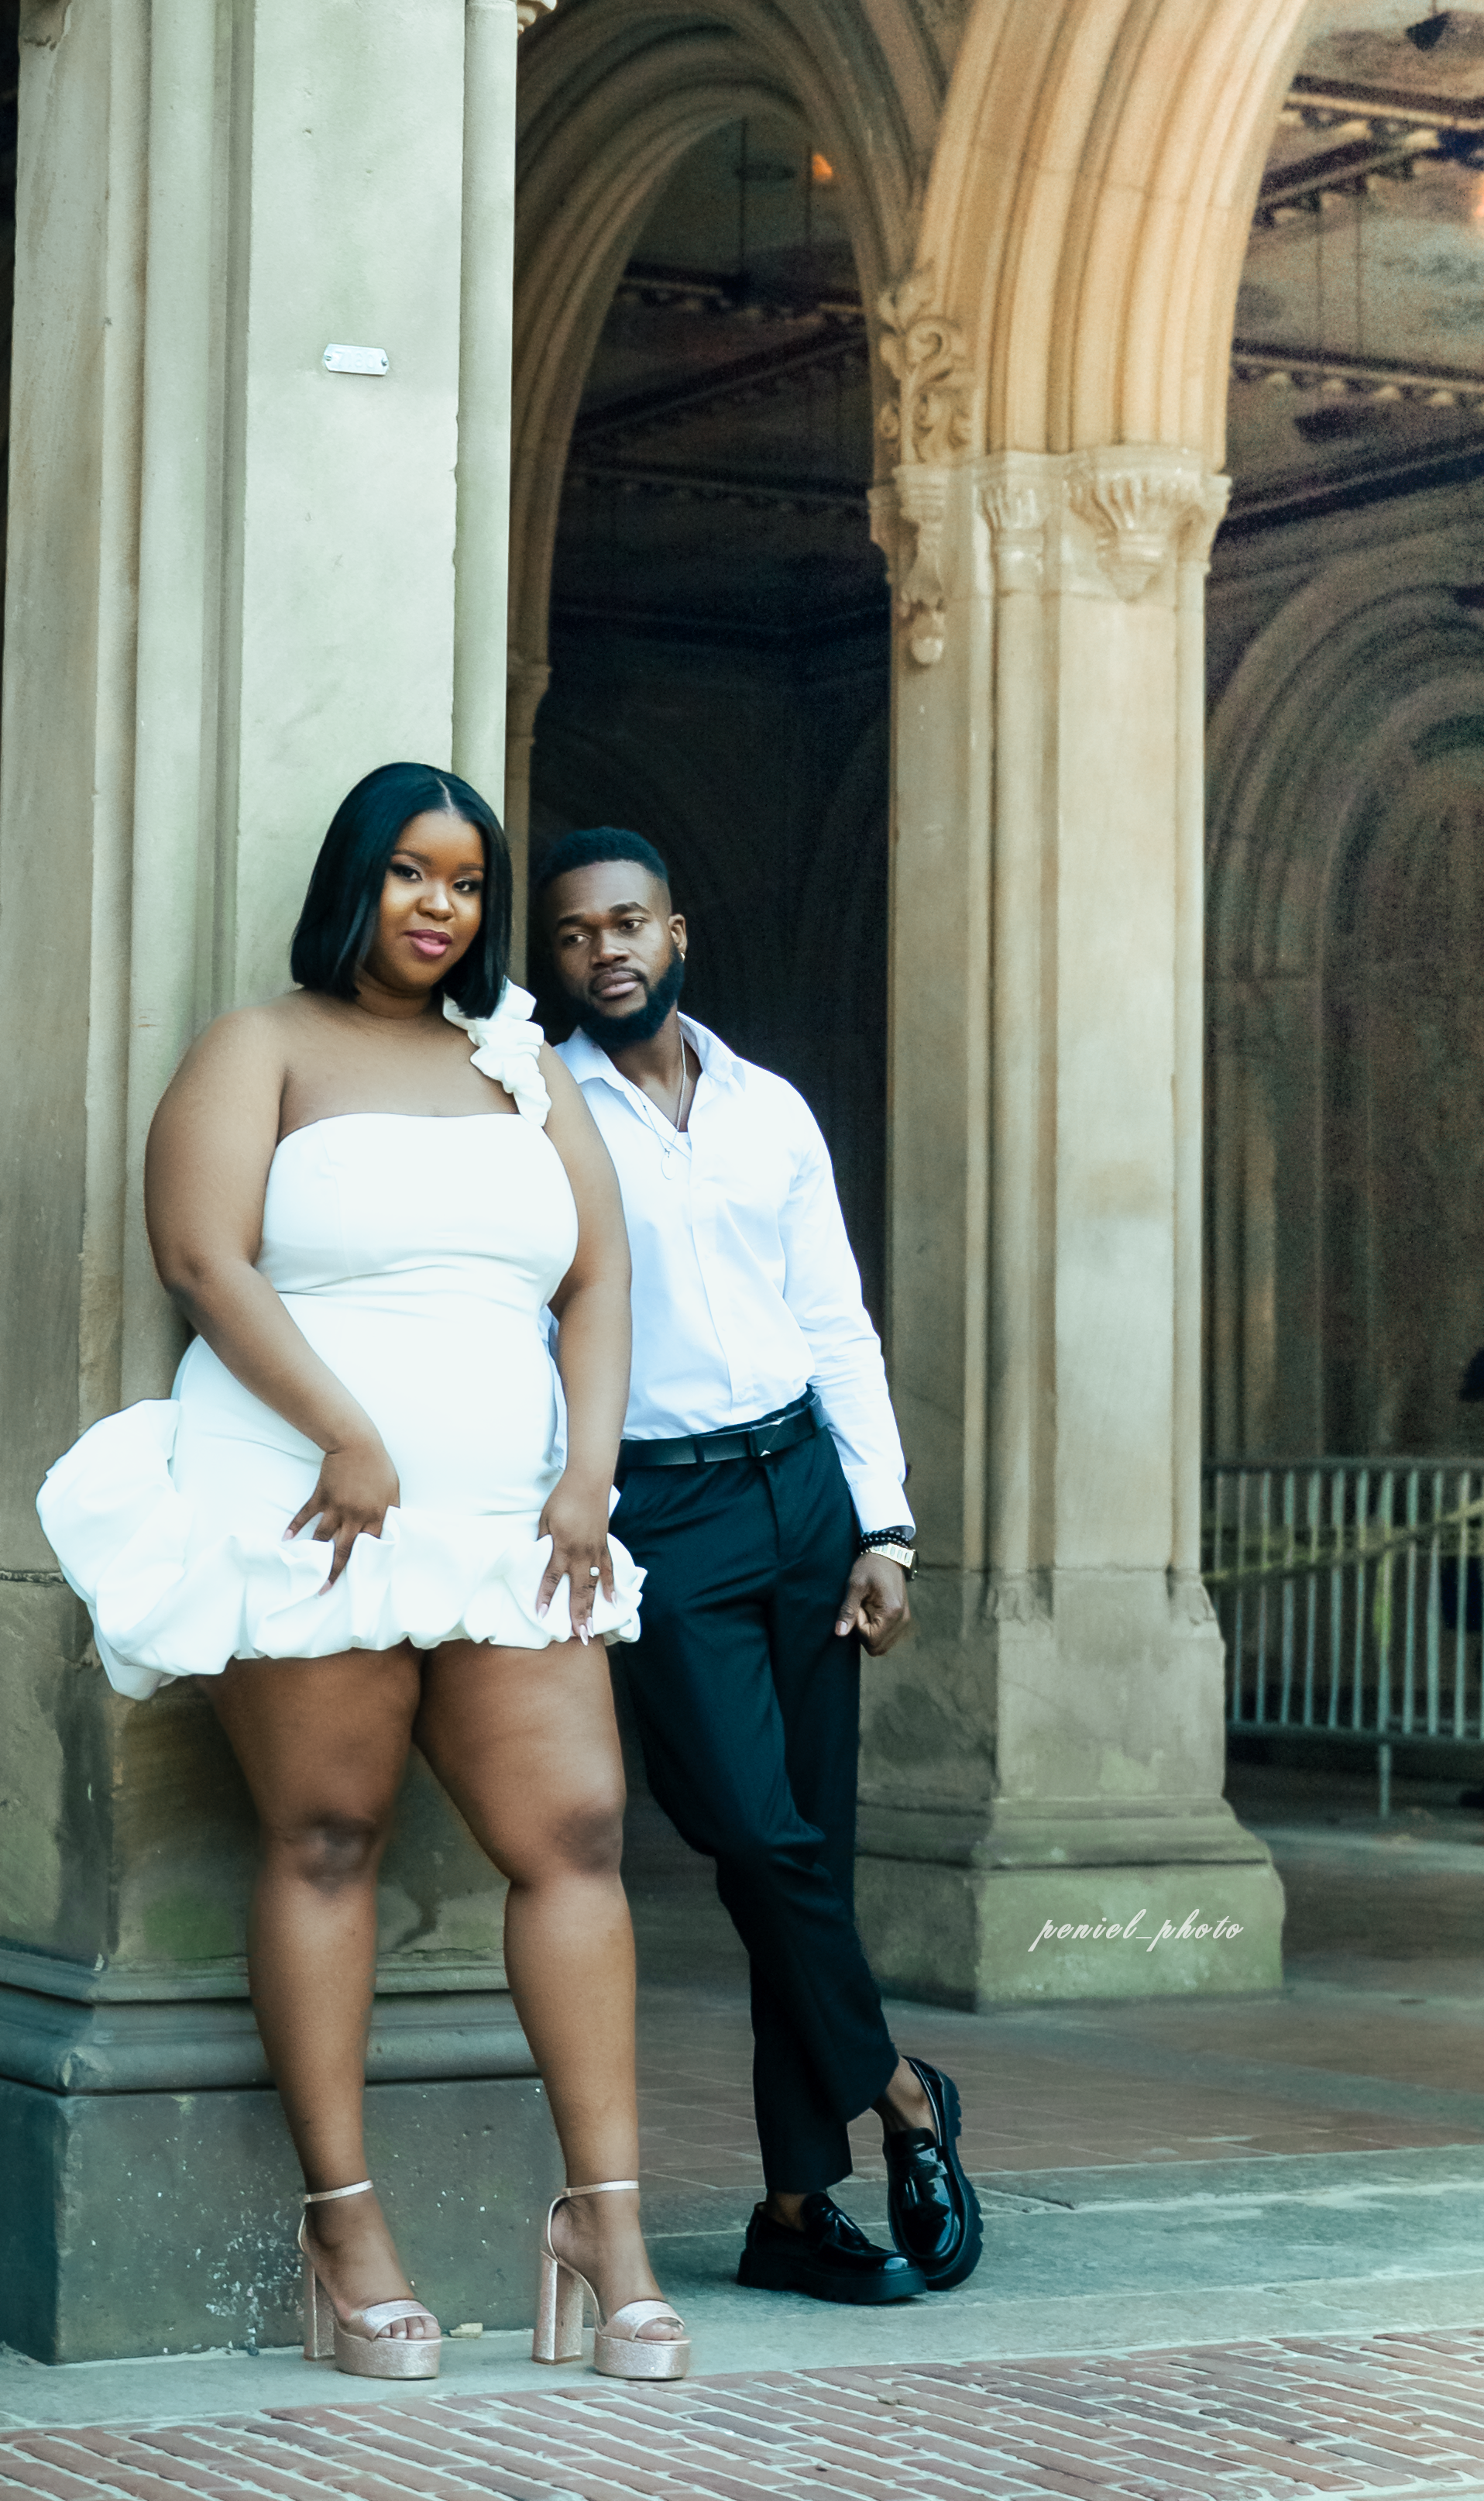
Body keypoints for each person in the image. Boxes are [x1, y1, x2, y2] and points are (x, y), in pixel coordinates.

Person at [37, 765, 688, 2383]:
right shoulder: (257, 1046)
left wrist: (588, 1475)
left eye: (466, 881)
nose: (440, 906)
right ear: (356, 882)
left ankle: (604, 2223)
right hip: (309, 1498)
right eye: (410, 873)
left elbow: (599, 1279)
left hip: (509, 1523)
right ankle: (348, 2231)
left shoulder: (522, 1068)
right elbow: (201, 1254)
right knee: (327, 1834)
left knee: (579, 1834)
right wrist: (342, 1428)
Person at [539, 824, 982, 2309]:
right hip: (659, 1517)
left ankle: (795, 2206)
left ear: (679, 936)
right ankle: (905, 2088)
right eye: (574, 935)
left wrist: (884, 1523)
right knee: (750, 1835)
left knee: (808, 1856)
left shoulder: (771, 1110)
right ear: (558, 963)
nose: (606, 948)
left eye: (628, 923)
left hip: (801, 1494)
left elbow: (835, 1319)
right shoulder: (542, 1114)